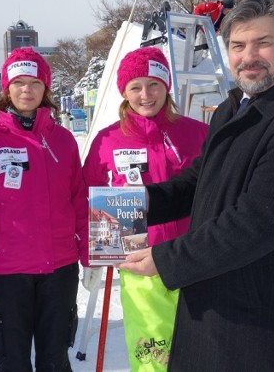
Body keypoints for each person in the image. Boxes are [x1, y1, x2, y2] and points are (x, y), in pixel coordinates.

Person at [119, 0, 274, 371]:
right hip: (215, 311)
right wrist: (139, 203)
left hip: (264, 327)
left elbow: (255, 222)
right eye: (238, 45)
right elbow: (198, 181)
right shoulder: (233, 107)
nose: (248, 56)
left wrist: (166, 258)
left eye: (263, 43)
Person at [0, 47, 88, 372]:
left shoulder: (63, 141)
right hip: (8, 273)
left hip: (59, 271)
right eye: (19, 83)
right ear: (7, 89)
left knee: (55, 361)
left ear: (46, 88)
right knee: (12, 362)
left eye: (34, 82)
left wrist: (91, 256)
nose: (26, 90)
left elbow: (80, 203)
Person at [82, 46, 208, 371]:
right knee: (152, 355)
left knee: (201, 349)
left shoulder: (198, 134)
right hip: (138, 260)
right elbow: (90, 194)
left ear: (167, 85)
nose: (145, 94)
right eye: (135, 87)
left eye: (153, 84)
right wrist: (96, 252)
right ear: (124, 92)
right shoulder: (108, 140)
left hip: (194, 257)